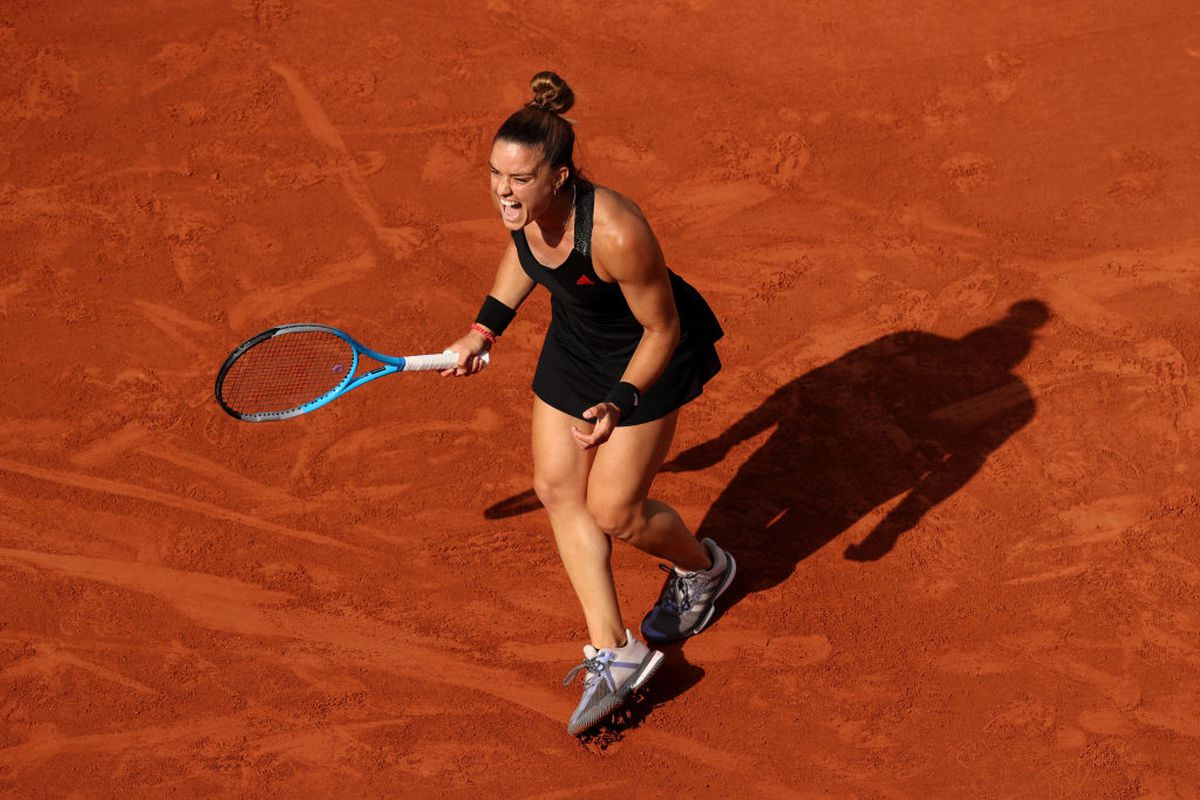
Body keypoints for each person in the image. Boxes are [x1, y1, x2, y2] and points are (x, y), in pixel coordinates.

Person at [442, 71, 735, 736]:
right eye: (495, 174)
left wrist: (619, 402)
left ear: (561, 176)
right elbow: (524, 258)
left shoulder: (617, 233)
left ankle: (704, 570)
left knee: (615, 510)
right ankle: (615, 649)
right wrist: (484, 328)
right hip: (578, 349)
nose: (502, 190)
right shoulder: (523, 212)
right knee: (556, 487)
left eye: (518, 179)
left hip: (649, 358)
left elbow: (663, 329)